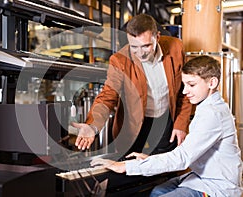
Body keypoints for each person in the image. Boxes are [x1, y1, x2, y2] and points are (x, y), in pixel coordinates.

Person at [91, 55, 243, 197]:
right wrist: (149, 160)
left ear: (212, 83)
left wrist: (125, 166)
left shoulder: (212, 113)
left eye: (191, 85)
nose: (185, 91)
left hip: (217, 186)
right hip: (200, 178)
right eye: (184, 84)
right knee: (158, 191)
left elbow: (182, 158)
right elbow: (187, 151)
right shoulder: (207, 107)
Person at [72, 13, 192, 156]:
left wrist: (181, 124)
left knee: (166, 169)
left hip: (165, 119)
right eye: (134, 47)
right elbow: (107, 96)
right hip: (133, 125)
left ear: (157, 37)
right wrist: (93, 126)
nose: (140, 53)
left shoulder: (176, 48)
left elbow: (186, 90)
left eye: (146, 46)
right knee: (130, 170)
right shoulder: (119, 61)